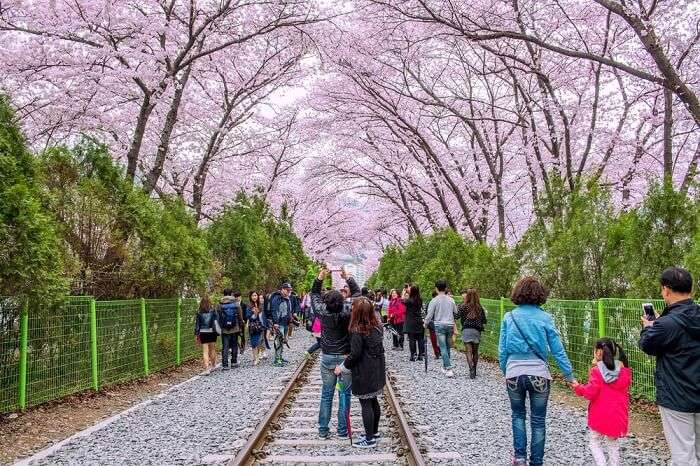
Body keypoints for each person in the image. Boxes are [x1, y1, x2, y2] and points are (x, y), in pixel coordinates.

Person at [498, 276, 576, 466]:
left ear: (518, 293)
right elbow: (557, 349)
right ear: (539, 294)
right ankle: (537, 462)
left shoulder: (509, 317)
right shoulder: (545, 318)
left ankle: (519, 458)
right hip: (539, 375)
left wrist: (505, 370)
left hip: (514, 373)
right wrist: (569, 375)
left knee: (518, 415)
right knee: (538, 421)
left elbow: (503, 350)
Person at [639, 267, 700, 466]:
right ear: (691, 289)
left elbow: (647, 346)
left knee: (683, 455)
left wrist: (649, 328)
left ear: (666, 290)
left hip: (676, 397)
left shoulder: (666, 325)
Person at [310, 267, 360, 439]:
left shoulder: (322, 311)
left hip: (327, 357)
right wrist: (348, 278)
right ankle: (342, 430)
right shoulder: (347, 309)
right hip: (345, 357)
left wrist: (319, 278)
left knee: (326, 394)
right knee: (344, 394)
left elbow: (314, 295)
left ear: (326, 302)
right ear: (341, 301)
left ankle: (323, 430)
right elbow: (358, 294)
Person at [335, 297, 386, 448]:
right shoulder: (377, 326)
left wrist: (342, 368)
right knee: (373, 400)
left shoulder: (358, 330)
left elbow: (355, 354)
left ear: (356, 312)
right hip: (377, 369)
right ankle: (374, 432)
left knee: (365, 403)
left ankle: (369, 439)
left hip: (364, 371)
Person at [572, 338, 632, 466]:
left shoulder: (597, 371)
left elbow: (590, 392)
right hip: (617, 415)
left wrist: (578, 387)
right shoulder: (623, 369)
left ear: (598, 352)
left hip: (599, 415)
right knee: (613, 444)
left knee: (594, 442)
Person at [424, 279, 458, 376]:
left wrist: (425, 323)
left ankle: (448, 368)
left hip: (439, 325)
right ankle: (445, 366)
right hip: (450, 325)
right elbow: (456, 311)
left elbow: (429, 314)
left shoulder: (434, 300)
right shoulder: (451, 300)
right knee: (447, 347)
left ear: (436, 289)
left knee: (443, 347)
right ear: (445, 288)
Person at [458, 289, 487, 378]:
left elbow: (456, 316)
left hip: (466, 330)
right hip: (476, 331)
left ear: (467, 296)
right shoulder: (480, 307)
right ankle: (475, 368)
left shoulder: (463, 306)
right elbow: (484, 321)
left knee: (468, 352)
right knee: (475, 352)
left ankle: (471, 370)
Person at [265, 283, 294, 366]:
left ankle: (280, 357)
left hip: (285, 323)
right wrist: (275, 323)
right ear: (283, 289)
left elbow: (288, 310)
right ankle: (277, 359)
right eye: (287, 290)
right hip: (279, 323)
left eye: (290, 290)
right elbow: (274, 310)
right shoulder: (277, 298)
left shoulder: (287, 298)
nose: (289, 291)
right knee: (278, 341)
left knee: (283, 341)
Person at [218, 290, 245, 370]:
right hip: (235, 328)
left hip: (224, 329)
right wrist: (240, 327)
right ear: (231, 294)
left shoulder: (220, 304)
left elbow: (218, 317)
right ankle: (234, 362)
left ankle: (225, 364)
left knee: (225, 347)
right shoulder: (236, 303)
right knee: (234, 345)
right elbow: (240, 317)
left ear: (224, 294)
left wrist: (219, 328)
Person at [195, 296, 220, 373]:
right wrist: (218, 331)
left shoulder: (199, 312)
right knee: (212, 349)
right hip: (212, 331)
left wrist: (196, 334)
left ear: (201, 303)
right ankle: (213, 365)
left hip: (203, 332)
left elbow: (197, 325)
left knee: (205, 351)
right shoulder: (213, 310)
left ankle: (207, 368)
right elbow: (216, 321)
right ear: (209, 302)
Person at [402, 284, 425, 361]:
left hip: (411, 321)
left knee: (412, 339)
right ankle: (420, 355)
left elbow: (402, 300)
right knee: (420, 338)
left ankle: (413, 355)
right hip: (418, 320)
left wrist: (403, 292)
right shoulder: (420, 299)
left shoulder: (410, 300)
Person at [247, 291, 267, 366]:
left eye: (255, 295)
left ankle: (257, 356)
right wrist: (254, 314)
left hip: (260, 326)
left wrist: (265, 324)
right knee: (254, 343)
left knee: (259, 342)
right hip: (253, 327)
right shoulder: (249, 306)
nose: (254, 297)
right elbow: (248, 316)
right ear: (251, 297)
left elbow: (263, 316)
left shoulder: (260, 305)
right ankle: (256, 358)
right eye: (253, 296)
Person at [425, 291, 441, 360]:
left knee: (434, 339)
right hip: (438, 322)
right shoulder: (440, 303)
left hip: (432, 322)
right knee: (439, 338)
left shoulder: (430, 303)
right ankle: (439, 352)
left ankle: (437, 352)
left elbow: (427, 313)